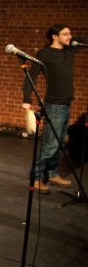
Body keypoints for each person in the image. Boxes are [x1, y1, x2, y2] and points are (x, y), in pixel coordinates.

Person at [21, 23, 85, 193]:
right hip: (54, 105)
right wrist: (27, 98)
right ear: (54, 37)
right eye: (65, 34)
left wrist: (72, 40)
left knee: (60, 143)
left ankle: (53, 173)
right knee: (50, 144)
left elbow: (83, 40)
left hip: (66, 104)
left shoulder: (69, 50)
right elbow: (31, 76)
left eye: (70, 33)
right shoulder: (45, 54)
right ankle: (34, 178)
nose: (70, 37)